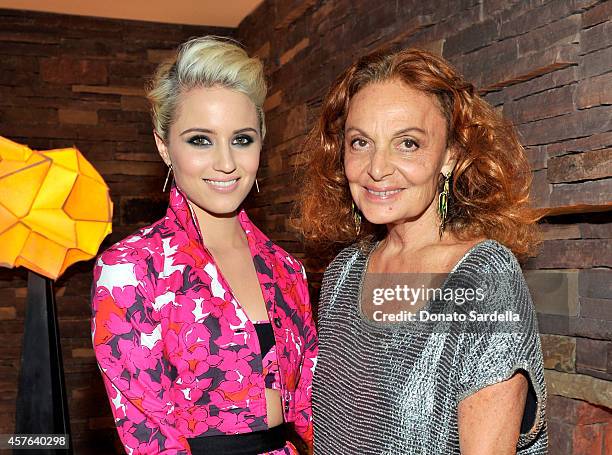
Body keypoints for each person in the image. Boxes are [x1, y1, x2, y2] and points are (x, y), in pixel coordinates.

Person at [295, 47, 547, 454]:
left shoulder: (483, 279)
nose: (377, 168)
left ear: (450, 156)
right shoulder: (343, 275)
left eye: (407, 143)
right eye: (360, 142)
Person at [91, 36, 316, 455]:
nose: (226, 162)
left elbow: (309, 410)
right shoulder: (130, 269)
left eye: (242, 139)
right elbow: (149, 434)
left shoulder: (287, 269)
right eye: (200, 140)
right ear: (164, 145)